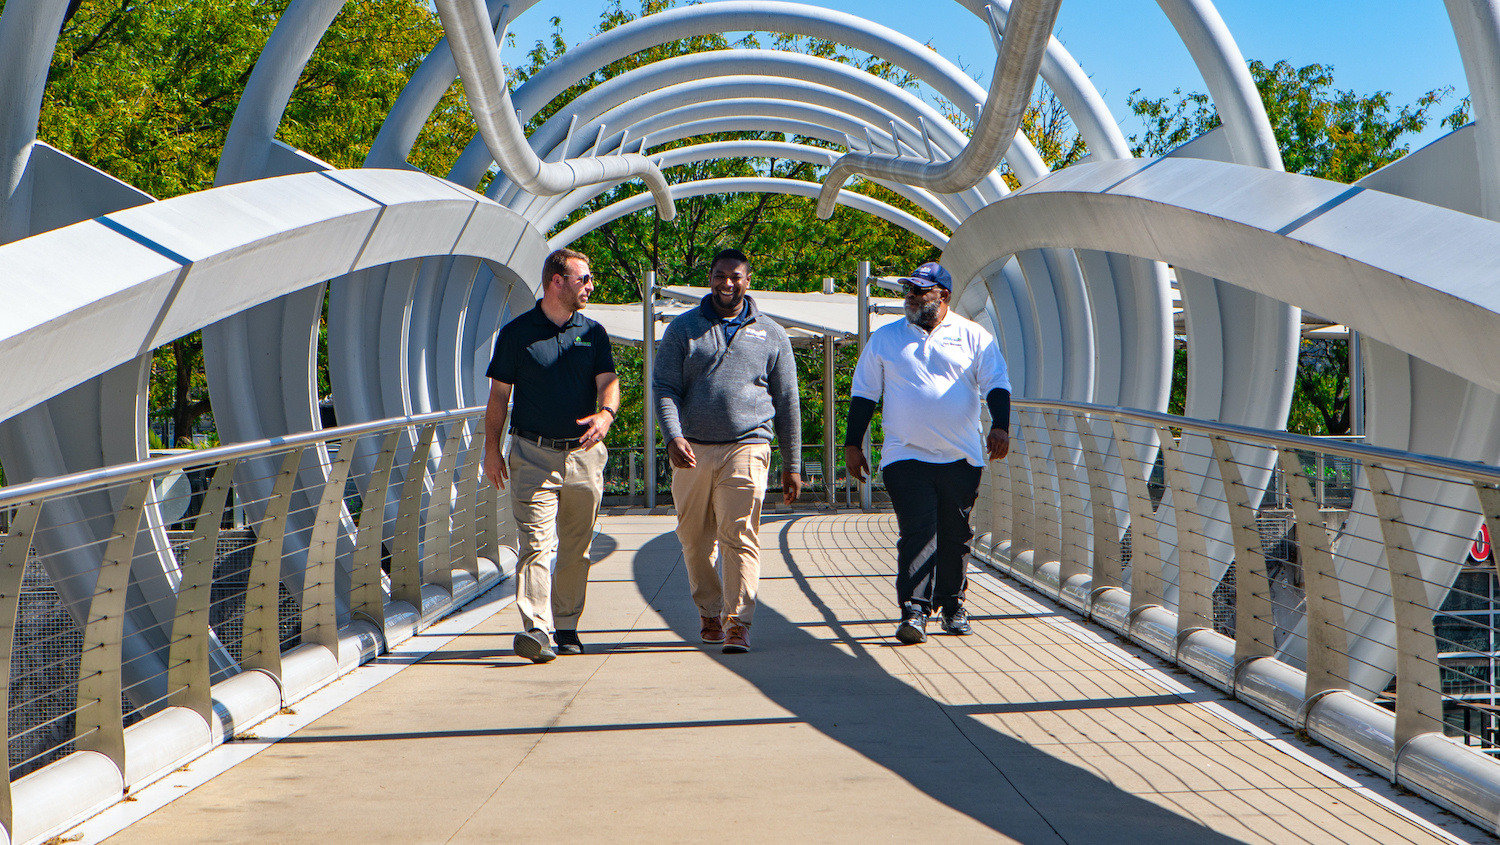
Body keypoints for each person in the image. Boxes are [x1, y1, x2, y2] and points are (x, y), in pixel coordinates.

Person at [843, 262, 1011, 644]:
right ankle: (914, 611)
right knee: (917, 532)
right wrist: (852, 444)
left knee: (955, 535)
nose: (912, 297)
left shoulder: (974, 336)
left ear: (944, 296)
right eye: (909, 290)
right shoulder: (886, 338)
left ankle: (952, 606)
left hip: (961, 456)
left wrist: (1001, 426)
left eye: (921, 291)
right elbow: (864, 394)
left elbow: (996, 383)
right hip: (905, 456)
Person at [655, 248, 803, 654]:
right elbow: (664, 388)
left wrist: (792, 463)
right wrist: (672, 436)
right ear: (710, 278)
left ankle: (738, 622)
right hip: (692, 448)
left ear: (747, 281)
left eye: (735, 276)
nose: (727, 283)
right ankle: (709, 610)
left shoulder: (771, 333)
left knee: (738, 533)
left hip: (748, 443)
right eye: (720, 275)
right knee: (694, 538)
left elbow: (788, 400)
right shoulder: (683, 328)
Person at [483, 247, 619, 663]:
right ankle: (537, 629)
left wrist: (606, 414)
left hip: (583, 455)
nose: (590, 286)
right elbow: (499, 397)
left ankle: (567, 626)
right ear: (557, 282)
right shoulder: (517, 333)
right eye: (584, 279)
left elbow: (609, 382)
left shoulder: (593, 332)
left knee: (576, 547)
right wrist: (491, 449)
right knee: (535, 543)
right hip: (532, 454)